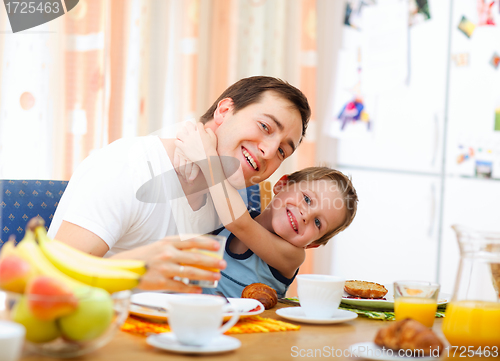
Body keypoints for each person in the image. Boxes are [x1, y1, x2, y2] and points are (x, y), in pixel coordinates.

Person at [48, 76, 311, 292]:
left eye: (282, 152)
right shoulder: (128, 166)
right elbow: (52, 279)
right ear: (224, 110)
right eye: (265, 126)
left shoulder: (225, 198)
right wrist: (134, 271)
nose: (268, 152)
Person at [175, 123, 358, 297]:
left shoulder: (292, 257)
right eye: (307, 199)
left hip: (248, 329)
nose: (306, 215)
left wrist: (206, 155)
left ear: (312, 244)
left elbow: (240, 223)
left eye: (318, 223)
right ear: (282, 185)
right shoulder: (226, 210)